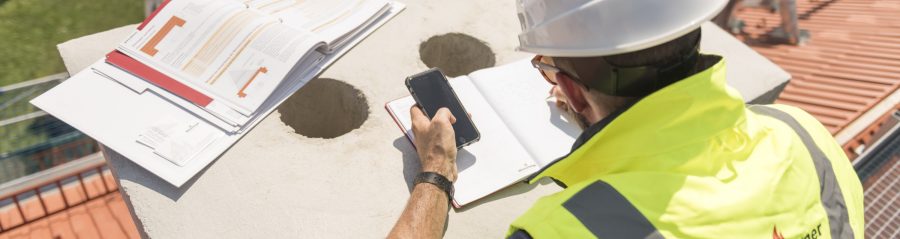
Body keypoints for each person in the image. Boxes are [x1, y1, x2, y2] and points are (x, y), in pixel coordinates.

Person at [389, 0, 865, 238]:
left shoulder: (564, 231)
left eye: (547, 69)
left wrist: (436, 173)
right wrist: (596, 114)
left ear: (572, 92)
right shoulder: (802, 132)